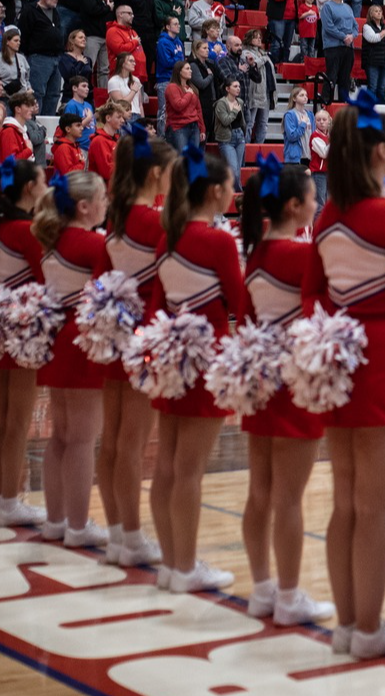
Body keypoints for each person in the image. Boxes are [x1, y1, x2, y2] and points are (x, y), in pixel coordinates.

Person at [303, 93, 385, 659]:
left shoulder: (326, 216)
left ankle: (346, 626)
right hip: (381, 356)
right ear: (380, 152)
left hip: (339, 359)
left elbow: (313, 291)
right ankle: (370, 628)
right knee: (376, 505)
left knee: (345, 500)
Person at [234, 155, 337, 623]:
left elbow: (250, 320)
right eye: (314, 198)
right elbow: (329, 315)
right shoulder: (302, 255)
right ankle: (291, 596)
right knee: (289, 498)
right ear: (296, 206)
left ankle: (262, 589)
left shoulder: (254, 254)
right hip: (296, 381)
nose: (318, 203)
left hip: (261, 379)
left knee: (260, 492)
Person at [143, 146, 244, 590]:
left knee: (168, 462)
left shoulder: (170, 236)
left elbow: (157, 305)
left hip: (172, 355)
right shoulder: (218, 240)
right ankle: (185, 566)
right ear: (218, 191)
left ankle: (171, 562)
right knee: (189, 470)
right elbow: (240, 303)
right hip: (207, 357)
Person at [93, 125, 179, 562]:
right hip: (145, 334)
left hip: (116, 332)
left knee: (112, 439)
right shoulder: (153, 220)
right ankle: (130, 534)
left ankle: (118, 534)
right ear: (154, 175)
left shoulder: (117, 216)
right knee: (131, 442)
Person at [35, 169, 116, 544]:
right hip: (83, 339)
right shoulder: (93, 245)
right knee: (83, 438)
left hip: (56, 337)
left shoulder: (52, 240)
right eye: (102, 197)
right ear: (85, 207)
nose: (106, 203)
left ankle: (56, 521)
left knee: (61, 435)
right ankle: (79, 526)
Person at [0, 156, 51, 527]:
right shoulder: (26, 230)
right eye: (43, 180)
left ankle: (3, 496)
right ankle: (10, 499)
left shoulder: (1, 224)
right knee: (17, 420)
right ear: (29, 188)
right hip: (25, 327)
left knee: (5, 416)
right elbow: (46, 279)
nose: (47, 185)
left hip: (5, 323)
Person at [22, 0, 65, 114]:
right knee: (37, 93)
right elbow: (24, 34)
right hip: (39, 58)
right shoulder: (30, 10)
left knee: (54, 94)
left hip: (56, 57)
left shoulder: (55, 11)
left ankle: (47, 124)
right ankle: (35, 123)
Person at [162, 59, 203, 151]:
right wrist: (188, 94)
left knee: (193, 159)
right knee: (181, 160)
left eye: (190, 69)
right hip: (178, 127)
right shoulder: (172, 87)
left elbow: (198, 109)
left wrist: (202, 128)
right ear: (179, 72)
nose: (191, 71)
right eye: (187, 69)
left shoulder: (192, 88)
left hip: (194, 126)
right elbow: (178, 106)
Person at [320, 0, 356, 101]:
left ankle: (343, 102)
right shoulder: (327, 6)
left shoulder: (348, 7)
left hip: (348, 47)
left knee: (345, 78)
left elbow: (355, 26)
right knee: (331, 75)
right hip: (332, 47)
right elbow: (328, 27)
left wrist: (352, 36)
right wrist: (344, 37)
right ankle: (326, 102)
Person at [215, 79, 247, 174]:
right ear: (227, 89)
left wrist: (243, 132)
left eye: (239, 86)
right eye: (235, 86)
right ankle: (233, 189)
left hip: (240, 136)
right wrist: (234, 111)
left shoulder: (240, 102)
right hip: (226, 139)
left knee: (238, 169)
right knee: (233, 170)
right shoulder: (221, 103)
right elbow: (225, 121)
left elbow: (242, 121)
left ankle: (235, 189)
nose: (238, 89)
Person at [361, 5, 385, 100]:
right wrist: (382, 34)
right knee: (372, 87)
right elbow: (372, 38)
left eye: (380, 11)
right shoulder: (367, 26)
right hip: (372, 61)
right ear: (371, 14)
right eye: (376, 11)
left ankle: (380, 109)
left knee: (382, 88)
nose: (379, 13)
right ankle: (369, 109)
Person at [0, 91, 37, 160]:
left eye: (31, 106)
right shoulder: (9, 131)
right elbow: (10, 161)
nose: (31, 109)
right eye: (28, 106)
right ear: (18, 109)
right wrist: (29, 150)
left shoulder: (22, 130)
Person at [282, 87, 314, 164]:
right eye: (301, 95)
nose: (305, 97)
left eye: (306, 95)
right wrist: (302, 124)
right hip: (295, 157)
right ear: (294, 98)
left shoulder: (310, 114)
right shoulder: (290, 115)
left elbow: (313, 134)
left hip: (309, 156)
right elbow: (291, 136)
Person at [107, 53, 144, 119]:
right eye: (131, 61)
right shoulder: (113, 81)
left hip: (138, 115)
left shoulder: (136, 80)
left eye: (134, 61)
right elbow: (121, 104)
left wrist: (143, 120)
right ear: (122, 63)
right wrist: (133, 91)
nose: (134, 64)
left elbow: (140, 104)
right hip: (124, 116)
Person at [309, 109, 331, 207]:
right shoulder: (315, 136)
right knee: (320, 203)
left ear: (329, 121)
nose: (321, 122)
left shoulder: (328, 136)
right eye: (318, 120)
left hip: (328, 172)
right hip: (318, 173)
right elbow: (324, 153)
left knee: (327, 201)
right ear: (315, 122)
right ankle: (318, 222)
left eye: (324, 119)